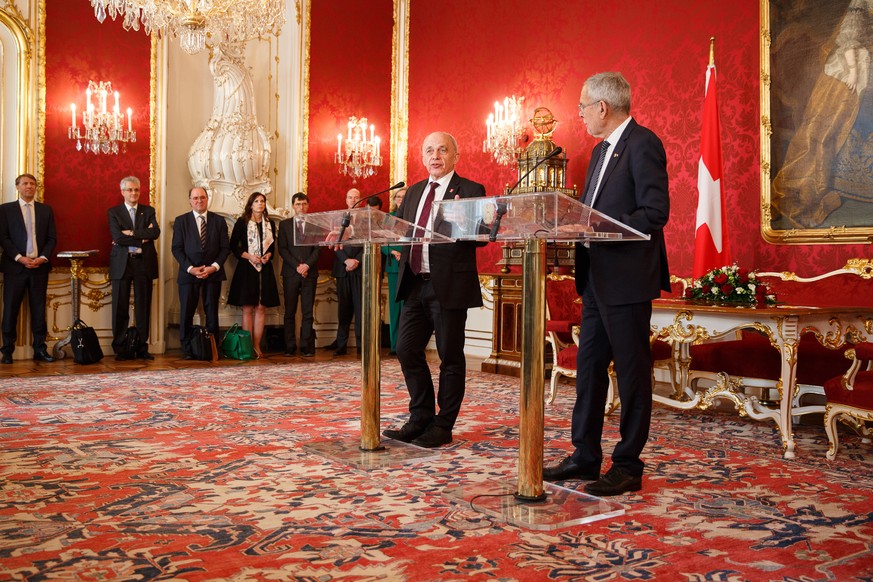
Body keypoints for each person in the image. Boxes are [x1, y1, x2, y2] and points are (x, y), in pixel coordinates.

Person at [542, 72, 670, 496]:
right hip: (595, 279)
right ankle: (585, 455)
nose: (578, 114)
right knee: (589, 369)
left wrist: (600, 226)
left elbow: (655, 213)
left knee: (633, 373)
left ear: (603, 107)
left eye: (582, 106)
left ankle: (629, 464)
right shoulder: (599, 153)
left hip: (628, 280)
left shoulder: (643, 143)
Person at [382, 132, 486, 448]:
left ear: (456, 155)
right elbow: (398, 230)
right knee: (406, 348)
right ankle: (421, 416)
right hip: (415, 283)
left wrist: (461, 220)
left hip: (449, 286)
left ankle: (443, 425)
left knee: (450, 356)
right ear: (422, 157)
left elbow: (482, 237)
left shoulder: (470, 190)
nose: (435, 155)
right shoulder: (412, 193)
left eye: (442, 149)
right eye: (429, 150)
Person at [771, 0, 873, 228]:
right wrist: (855, 72)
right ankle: (840, 179)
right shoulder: (862, 2)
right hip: (857, 59)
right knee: (838, 113)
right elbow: (849, 36)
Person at [0, 173, 57, 364]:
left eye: (32, 184)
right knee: (10, 309)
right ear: (17, 187)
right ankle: (7, 351)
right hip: (15, 267)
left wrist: (41, 258)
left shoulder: (45, 210)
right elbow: (4, 238)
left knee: (39, 310)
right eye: (25, 184)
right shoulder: (5, 210)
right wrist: (19, 258)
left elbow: (51, 239)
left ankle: (40, 349)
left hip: (39, 268)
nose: (29, 187)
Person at [171, 186, 231, 359]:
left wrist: (214, 267)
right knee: (187, 312)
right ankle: (187, 348)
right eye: (195, 198)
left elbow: (225, 248)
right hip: (188, 274)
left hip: (213, 274)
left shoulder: (219, 221)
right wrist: (191, 269)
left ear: (207, 199)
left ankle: (211, 347)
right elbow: (176, 249)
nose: (199, 201)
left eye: (202, 198)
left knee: (211, 312)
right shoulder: (181, 221)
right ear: (190, 200)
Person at [108, 176, 160, 360]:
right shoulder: (114, 212)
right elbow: (117, 237)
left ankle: (141, 347)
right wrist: (142, 236)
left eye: (136, 190)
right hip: (122, 264)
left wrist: (130, 233)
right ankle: (121, 348)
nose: (133, 193)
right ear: (122, 192)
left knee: (143, 307)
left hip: (143, 263)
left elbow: (155, 233)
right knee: (120, 307)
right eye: (129, 190)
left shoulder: (148, 210)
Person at [227, 191, 280, 358]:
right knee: (248, 307)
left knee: (261, 307)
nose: (260, 204)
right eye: (256, 201)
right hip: (246, 268)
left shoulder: (269, 223)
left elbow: (272, 247)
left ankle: (257, 345)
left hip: (264, 268)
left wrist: (268, 256)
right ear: (251, 204)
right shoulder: (242, 223)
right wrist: (250, 256)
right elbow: (234, 247)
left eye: (262, 201)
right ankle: (246, 345)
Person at [278, 192, 320, 357]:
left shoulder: (315, 225)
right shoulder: (285, 225)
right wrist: (297, 266)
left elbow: (318, 248)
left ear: (308, 205)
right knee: (290, 311)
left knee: (308, 312)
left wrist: (307, 265)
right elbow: (282, 249)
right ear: (293, 206)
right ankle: (289, 346)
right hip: (291, 272)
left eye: (303, 204)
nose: (301, 207)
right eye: (298, 204)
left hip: (310, 273)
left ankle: (306, 346)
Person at [325, 188, 363, 356]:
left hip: (361, 269)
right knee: (344, 310)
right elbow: (333, 242)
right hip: (343, 268)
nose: (353, 199)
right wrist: (346, 260)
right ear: (346, 199)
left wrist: (357, 260)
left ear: (360, 200)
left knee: (362, 310)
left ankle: (363, 347)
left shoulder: (366, 219)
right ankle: (341, 346)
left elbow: (371, 241)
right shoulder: (337, 218)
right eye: (350, 197)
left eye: (356, 197)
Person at [381, 187, 407, 354]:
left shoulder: (413, 216)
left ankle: (407, 345)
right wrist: (393, 251)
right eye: (398, 196)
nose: (400, 199)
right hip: (393, 266)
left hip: (410, 265)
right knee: (395, 307)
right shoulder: (388, 218)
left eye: (404, 196)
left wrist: (405, 253)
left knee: (409, 308)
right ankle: (394, 345)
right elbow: (382, 242)